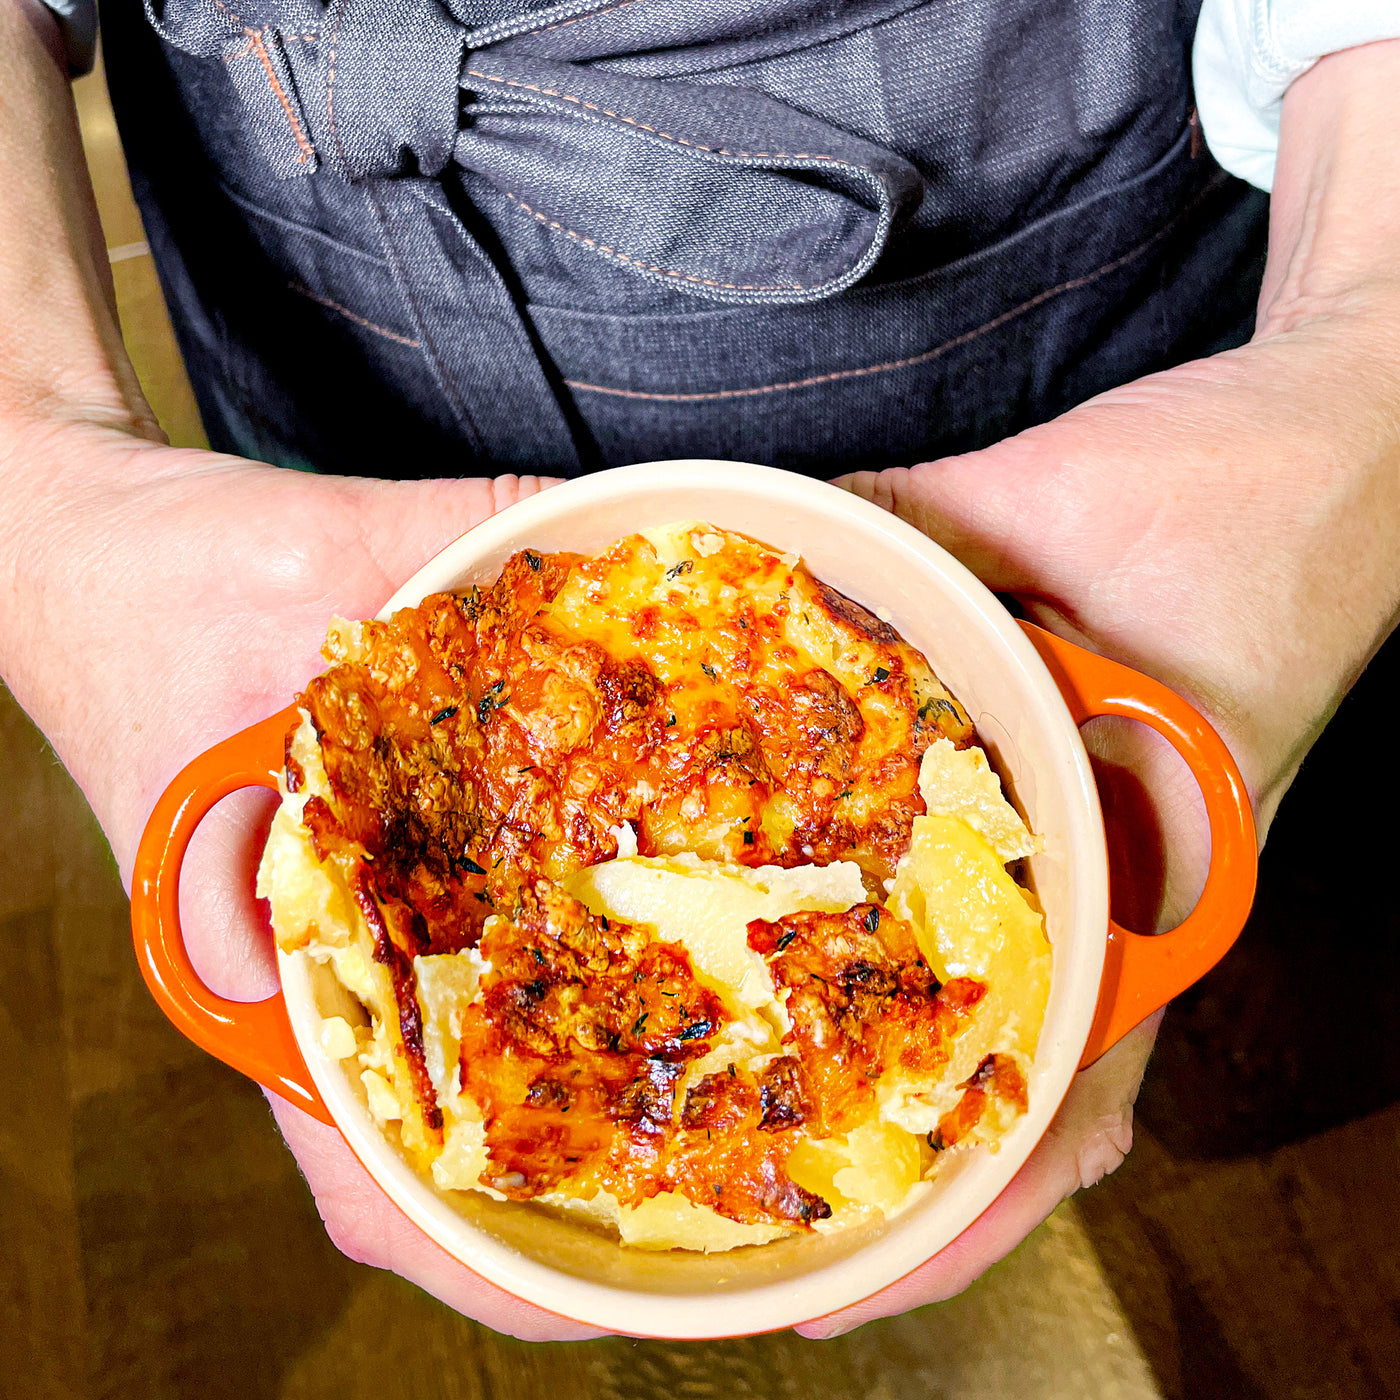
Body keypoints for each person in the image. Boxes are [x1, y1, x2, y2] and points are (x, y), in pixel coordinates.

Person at [2, 0, 1397, 1341]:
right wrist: (40, 472)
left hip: (1035, 275)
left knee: (1274, 928)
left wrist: (1358, 372)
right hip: (319, 273)